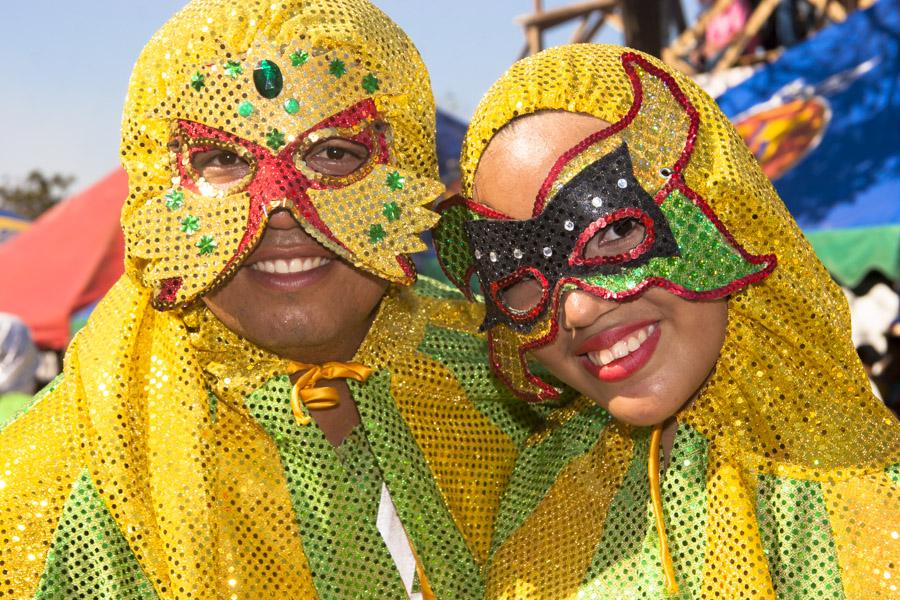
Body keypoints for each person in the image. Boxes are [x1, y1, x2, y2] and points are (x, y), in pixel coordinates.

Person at [0, 1, 537, 597]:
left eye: (334, 153)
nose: (280, 207)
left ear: (405, 165)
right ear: (158, 189)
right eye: (224, 160)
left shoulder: (510, 381)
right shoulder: (55, 488)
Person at [434, 44, 900, 597]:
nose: (578, 309)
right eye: (517, 279)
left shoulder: (875, 505)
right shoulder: (532, 507)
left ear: (714, 209)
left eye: (613, 231)